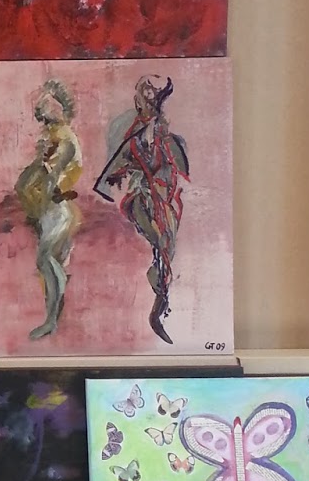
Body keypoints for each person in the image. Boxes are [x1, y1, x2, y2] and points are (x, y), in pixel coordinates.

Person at [93, 73, 189, 343]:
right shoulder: (134, 138)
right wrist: (123, 177)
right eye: (144, 95)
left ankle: (159, 304)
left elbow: (177, 169)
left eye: (152, 96)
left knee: (167, 246)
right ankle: (159, 301)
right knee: (162, 242)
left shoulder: (167, 137)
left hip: (166, 199)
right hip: (142, 199)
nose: (147, 101)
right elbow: (118, 167)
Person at [13, 77, 83, 340]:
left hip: (58, 211)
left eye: (49, 103)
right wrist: (38, 163)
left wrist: (43, 164)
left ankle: (52, 321)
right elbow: (26, 182)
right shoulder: (51, 138)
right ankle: (52, 320)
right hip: (46, 212)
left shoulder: (66, 140)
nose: (44, 108)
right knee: (50, 268)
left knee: (45, 260)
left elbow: (53, 177)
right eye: (43, 104)